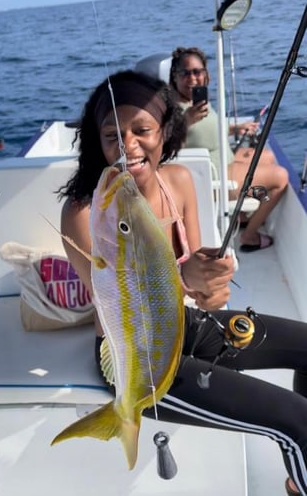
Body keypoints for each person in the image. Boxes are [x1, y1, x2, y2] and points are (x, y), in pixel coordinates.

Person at [58, 69, 306, 495]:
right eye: (112, 134)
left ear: (165, 131)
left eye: (142, 130)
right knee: (298, 421)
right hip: (139, 361)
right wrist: (182, 277)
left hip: (186, 325)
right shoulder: (86, 212)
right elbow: (113, 293)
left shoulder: (180, 181)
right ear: (96, 141)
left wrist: (214, 279)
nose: (128, 145)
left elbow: (204, 297)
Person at [169, 46, 289, 252]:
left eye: (197, 72)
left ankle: (241, 217)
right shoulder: (174, 111)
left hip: (225, 162)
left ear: (206, 74)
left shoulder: (193, 101)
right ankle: (249, 236)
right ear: (175, 77)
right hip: (216, 180)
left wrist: (234, 128)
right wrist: (185, 122)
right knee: (280, 177)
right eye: (185, 73)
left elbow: (206, 132)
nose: (192, 78)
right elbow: (169, 150)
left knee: (267, 157)